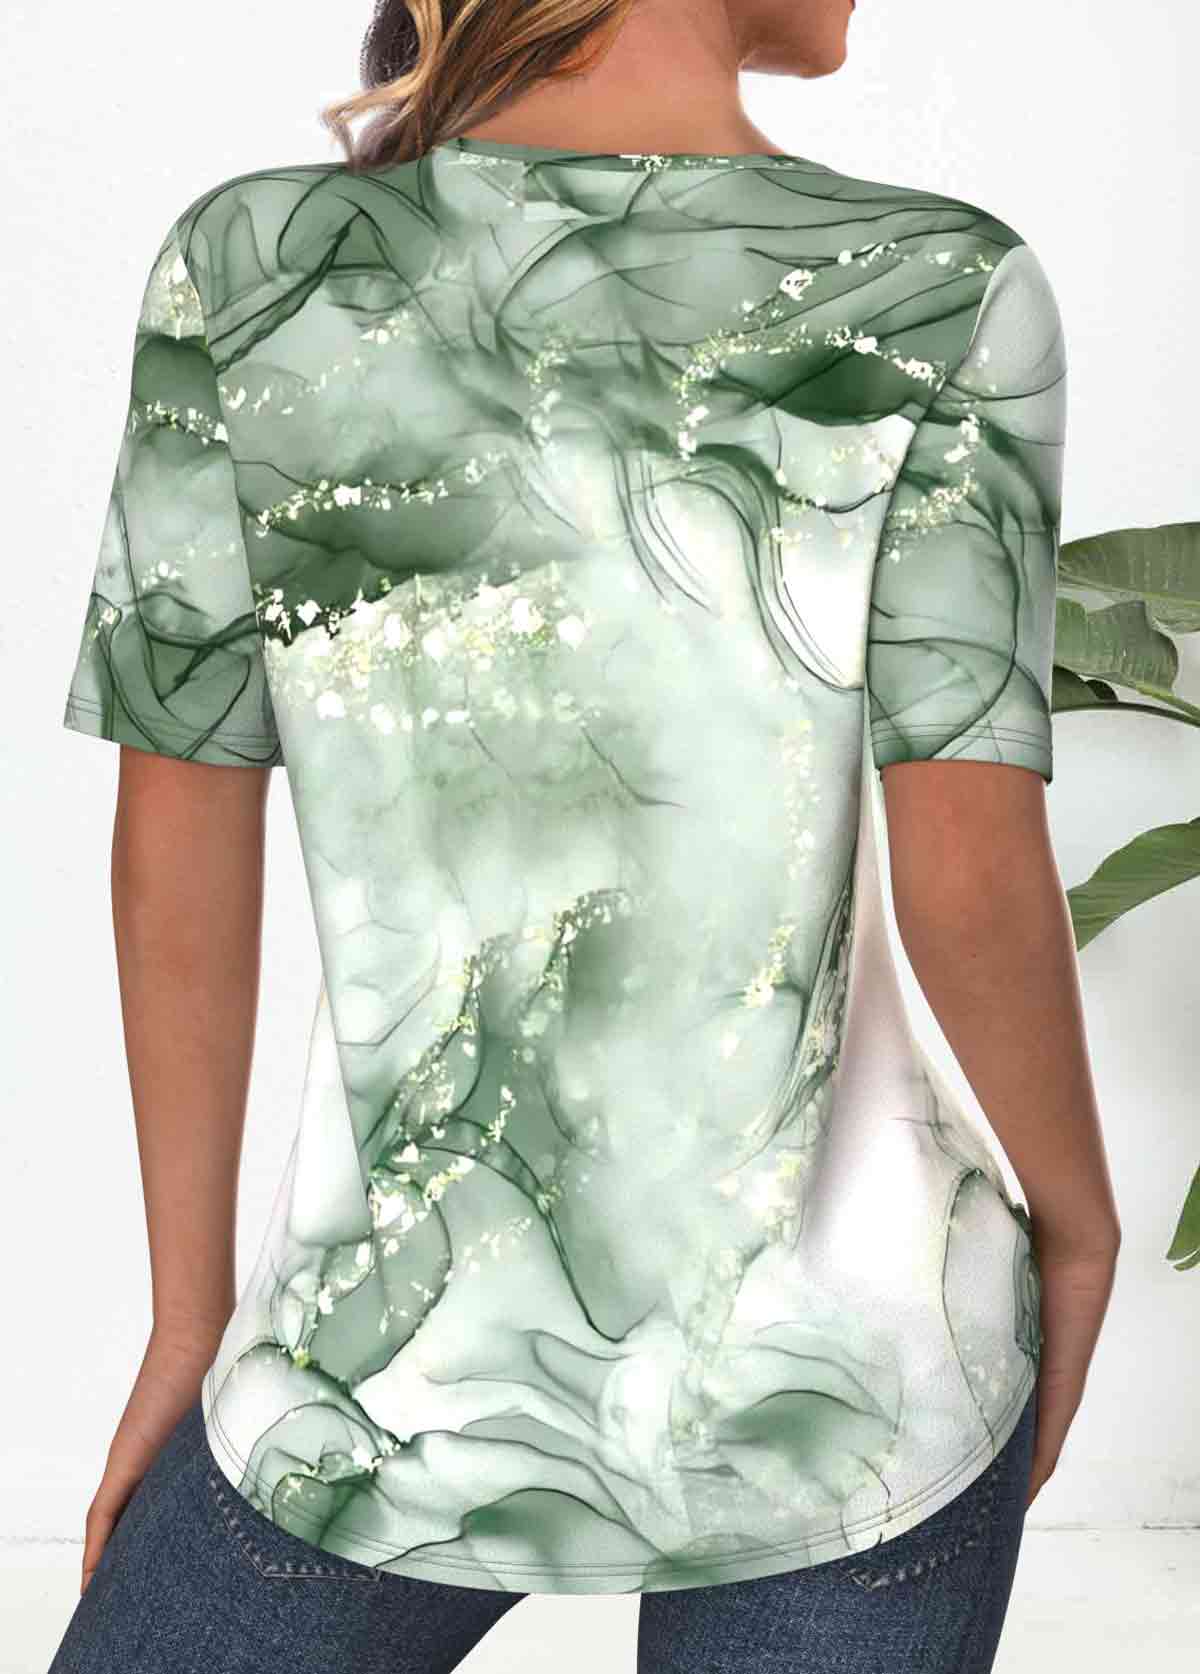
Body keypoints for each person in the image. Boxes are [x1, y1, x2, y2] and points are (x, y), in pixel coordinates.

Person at [50, 0, 1122, 1669]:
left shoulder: (255, 269)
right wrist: (1083, 1218)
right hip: (854, 1381)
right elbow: (970, 869)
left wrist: (188, 1318)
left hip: (377, 1375)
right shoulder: (939, 290)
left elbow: (174, 839)